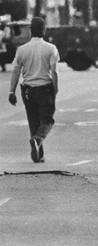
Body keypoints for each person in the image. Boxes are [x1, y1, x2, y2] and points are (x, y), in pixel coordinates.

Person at [8, 17, 59, 163]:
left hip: (27, 91)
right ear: (44, 30)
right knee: (47, 120)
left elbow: (16, 72)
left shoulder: (22, 49)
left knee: (33, 120)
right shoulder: (51, 48)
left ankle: (39, 154)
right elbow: (54, 71)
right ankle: (38, 139)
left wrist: (12, 92)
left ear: (31, 31)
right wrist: (55, 88)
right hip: (45, 88)